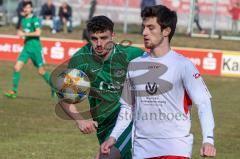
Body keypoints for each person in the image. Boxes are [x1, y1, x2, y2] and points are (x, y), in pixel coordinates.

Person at [101, 5, 216, 159]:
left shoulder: (183, 65)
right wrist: (113, 137)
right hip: (142, 149)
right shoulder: (134, 65)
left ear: (166, 31)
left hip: (176, 148)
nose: (144, 33)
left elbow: (203, 103)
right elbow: (127, 108)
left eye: (151, 28)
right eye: (144, 27)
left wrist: (208, 139)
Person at [55, 15, 144, 159]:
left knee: (106, 156)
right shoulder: (81, 59)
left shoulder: (132, 55)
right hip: (103, 125)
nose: (99, 44)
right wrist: (80, 120)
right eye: (94, 39)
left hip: (129, 120)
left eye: (104, 38)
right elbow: (64, 97)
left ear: (113, 35)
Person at [4, 1, 53, 98]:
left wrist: (24, 34)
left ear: (31, 9)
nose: (25, 9)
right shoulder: (23, 20)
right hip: (26, 48)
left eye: (27, 7)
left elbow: (38, 33)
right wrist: (19, 32)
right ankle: (13, 91)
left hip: (36, 49)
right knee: (16, 67)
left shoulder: (34, 19)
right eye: (24, 7)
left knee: (41, 71)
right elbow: (22, 31)